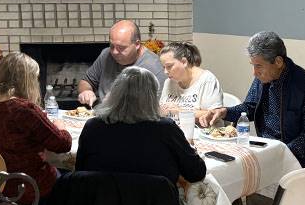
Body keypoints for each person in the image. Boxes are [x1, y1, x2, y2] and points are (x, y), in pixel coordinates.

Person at [198, 31, 305, 167]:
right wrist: (223, 112)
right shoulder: (263, 79)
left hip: (295, 159)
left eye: (258, 66)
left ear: (278, 62)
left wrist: (282, 154)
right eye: (253, 65)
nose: (254, 72)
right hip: (265, 149)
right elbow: (249, 108)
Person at [0, 52, 71, 205]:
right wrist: (61, 126)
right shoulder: (24, 110)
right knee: (70, 179)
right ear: (28, 81)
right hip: (23, 188)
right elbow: (63, 145)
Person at [76, 67, 207, 185]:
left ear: (115, 92)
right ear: (152, 98)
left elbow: (80, 171)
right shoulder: (166, 129)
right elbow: (196, 173)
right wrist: (189, 147)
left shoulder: (93, 126)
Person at [77, 20, 165, 106]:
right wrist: (86, 91)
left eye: (121, 47)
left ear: (137, 44)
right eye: (112, 46)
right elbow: (86, 81)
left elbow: (158, 108)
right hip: (100, 115)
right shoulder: (106, 54)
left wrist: (116, 102)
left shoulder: (154, 66)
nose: (114, 52)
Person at [158, 42, 224, 118]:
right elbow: (162, 112)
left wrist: (181, 112)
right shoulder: (169, 82)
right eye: (164, 67)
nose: (165, 72)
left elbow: (214, 115)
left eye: (169, 66)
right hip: (173, 128)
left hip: (201, 129)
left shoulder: (207, 80)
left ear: (184, 62)